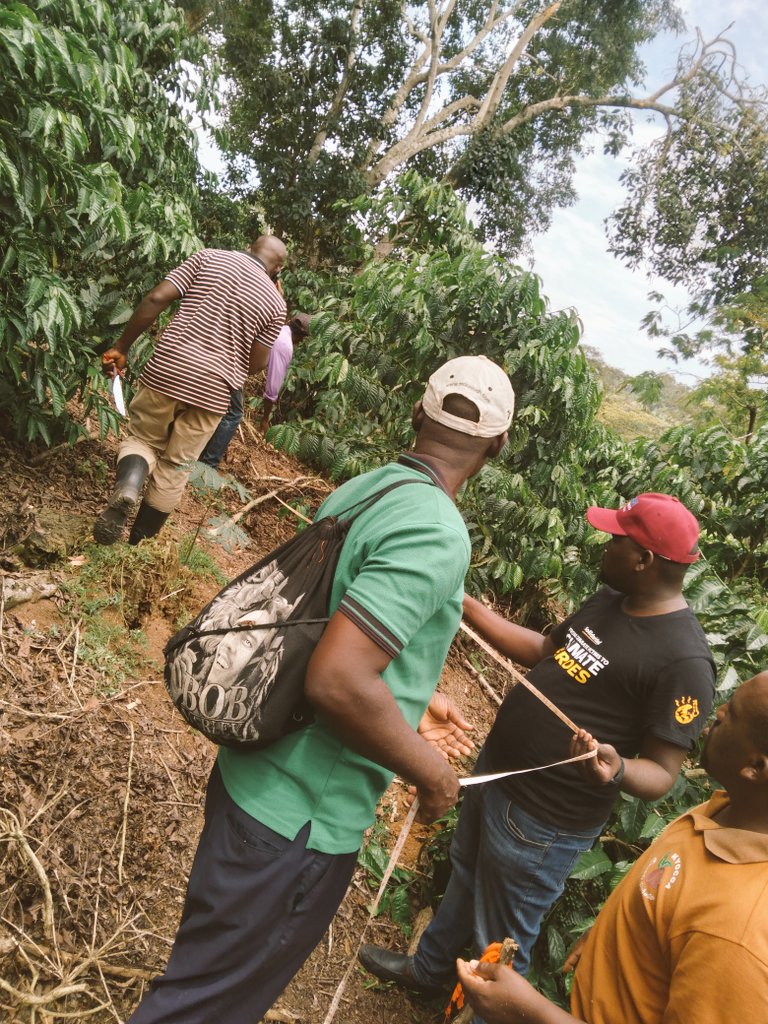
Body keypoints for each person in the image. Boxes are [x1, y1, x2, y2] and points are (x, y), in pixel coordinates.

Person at [125, 354, 516, 1024]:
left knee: (199, 984)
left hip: (254, 777)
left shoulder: (371, 488)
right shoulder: (437, 531)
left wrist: (412, 702)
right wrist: (435, 778)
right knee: (200, 1009)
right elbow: (337, 679)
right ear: (498, 445)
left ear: (418, 413)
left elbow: (323, 627)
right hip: (300, 819)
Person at [360, 493, 716, 1015]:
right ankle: (430, 970)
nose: (605, 544)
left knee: (500, 939)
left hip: (545, 820)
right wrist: (466, 604)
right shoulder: (610, 599)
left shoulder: (684, 660)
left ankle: (480, 1014)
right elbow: (547, 651)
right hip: (497, 777)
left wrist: (616, 767)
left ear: (645, 559)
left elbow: (662, 772)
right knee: (464, 873)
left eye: (617, 538)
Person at [455, 671, 768, 1024]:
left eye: (735, 713)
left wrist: (530, 1011)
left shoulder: (738, 939)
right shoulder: (731, 810)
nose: (720, 711)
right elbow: (669, 899)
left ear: (755, 767)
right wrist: (619, 937)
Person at [94, 236, 287, 545]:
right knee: (176, 467)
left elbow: (157, 298)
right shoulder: (277, 305)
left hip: (169, 369)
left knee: (142, 440)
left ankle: (128, 487)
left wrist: (121, 347)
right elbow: (255, 365)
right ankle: (136, 547)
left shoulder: (208, 257)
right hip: (214, 392)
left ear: (251, 246)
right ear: (279, 269)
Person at [198, 312, 311, 468]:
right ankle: (208, 463)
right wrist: (265, 419)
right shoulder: (285, 344)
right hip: (230, 365)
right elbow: (272, 388)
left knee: (221, 407)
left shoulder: (277, 327)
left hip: (216, 353)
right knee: (234, 414)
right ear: (302, 338)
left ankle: (202, 452)